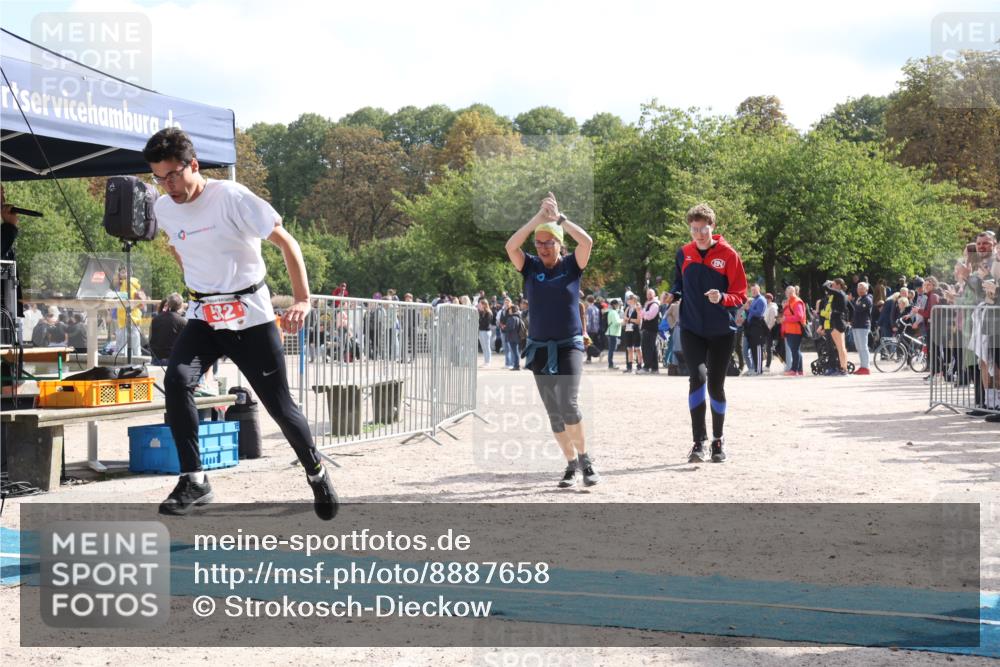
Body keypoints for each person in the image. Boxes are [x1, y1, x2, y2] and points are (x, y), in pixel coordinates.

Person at [143, 127, 338, 520]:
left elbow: (287, 242)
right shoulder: (164, 208)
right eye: (159, 178)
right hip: (204, 316)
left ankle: (315, 471)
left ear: (193, 165)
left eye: (174, 175)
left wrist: (302, 300)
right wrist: (198, 280)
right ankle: (194, 479)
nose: (168, 186)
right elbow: (178, 246)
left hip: (249, 315)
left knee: (280, 407)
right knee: (176, 381)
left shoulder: (231, 197)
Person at [504, 191, 599, 489]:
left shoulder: (571, 265)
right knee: (554, 412)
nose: (543, 248)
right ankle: (570, 464)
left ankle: (585, 460)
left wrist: (559, 219)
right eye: (539, 243)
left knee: (568, 403)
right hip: (540, 348)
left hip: (569, 344)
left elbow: (587, 242)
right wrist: (538, 219)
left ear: (560, 243)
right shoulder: (530, 267)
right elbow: (510, 246)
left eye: (549, 242)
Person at [668, 203, 747, 464]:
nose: (699, 234)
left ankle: (718, 440)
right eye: (694, 229)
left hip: (721, 331)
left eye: (703, 229)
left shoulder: (728, 255)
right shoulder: (684, 253)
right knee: (697, 378)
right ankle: (698, 442)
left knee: (715, 385)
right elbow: (679, 283)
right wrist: (673, 294)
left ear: (713, 226)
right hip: (692, 328)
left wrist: (722, 297)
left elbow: (740, 295)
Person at [113, 266, 146, 358]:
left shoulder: (127, 283)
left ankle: (124, 357)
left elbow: (125, 300)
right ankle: (136, 356)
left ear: (130, 273)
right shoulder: (132, 283)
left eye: (124, 272)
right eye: (121, 272)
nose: (122, 274)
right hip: (132, 316)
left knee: (124, 340)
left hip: (127, 316)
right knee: (134, 340)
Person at [149, 292, 188, 365]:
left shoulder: (155, 319)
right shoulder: (182, 321)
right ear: (180, 305)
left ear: (168, 304)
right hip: (172, 360)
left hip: (156, 359)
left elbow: (151, 339)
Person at [824, 279, 850, 375]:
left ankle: (844, 369)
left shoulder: (840, 293)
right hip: (837, 321)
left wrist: (828, 282)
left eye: (834, 284)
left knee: (841, 347)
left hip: (838, 322)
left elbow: (825, 287)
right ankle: (843, 368)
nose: (832, 286)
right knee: (840, 347)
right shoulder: (841, 294)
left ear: (839, 285)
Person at [780, 285, 806, 376]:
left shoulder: (796, 302)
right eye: (787, 292)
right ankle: (800, 370)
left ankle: (794, 370)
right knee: (796, 350)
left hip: (795, 330)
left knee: (795, 350)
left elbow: (799, 316)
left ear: (794, 292)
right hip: (790, 330)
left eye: (790, 292)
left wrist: (786, 319)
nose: (788, 294)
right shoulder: (790, 302)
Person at [851, 281, 874, 374]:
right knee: (859, 347)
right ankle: (862, 366)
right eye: (858, 288)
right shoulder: (859, 298)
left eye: (862, 288)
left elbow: (859, 308)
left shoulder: (867, 299)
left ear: (866, 289)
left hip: (863, 325)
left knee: (863, 347)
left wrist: (851, 301)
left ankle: (866, 367)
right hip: (856, 325)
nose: (860, 290)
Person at [640, 287, 661, 373]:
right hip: (647, 329)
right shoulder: (648, 304)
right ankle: (654, 368)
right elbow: (643, 314)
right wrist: (645, 313)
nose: (648, 295)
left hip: (651, 329)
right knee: (650, 348)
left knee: (648, 348)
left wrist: (644, 313)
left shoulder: (655, 304)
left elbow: (649, 316)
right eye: (647, 294)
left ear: (654, 294)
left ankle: (646, 367)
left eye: (650, 294)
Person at [621, 293, 642, 373]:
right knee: (629, 348)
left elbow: (638, 321)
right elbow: (624, 319)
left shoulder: (638, 307)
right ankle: (629, 367)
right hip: (628, 330)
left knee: (637, 348)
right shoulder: (627, 308)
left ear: (634, 300)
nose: (628, 300)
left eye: (630, 299)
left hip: (636, 330)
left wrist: (629, 319)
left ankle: (639, 366)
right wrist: (626, 320)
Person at [605, 298, 622, 369]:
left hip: (611, 332)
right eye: (618, 304)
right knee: (612, 349)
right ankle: (611, 364)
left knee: (611, 349)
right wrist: (623, 321)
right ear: (614, 305)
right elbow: (616, 322)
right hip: (613, 332)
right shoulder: (614, 312)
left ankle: (611, 364)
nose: (619, 305)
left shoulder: (611, 311)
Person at [477, 298, 494, 367]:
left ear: (484, 305)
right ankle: (485, 361)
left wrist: (479, 321)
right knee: (483, 347)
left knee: (487, 347)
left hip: (486, 331)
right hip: (481, 331)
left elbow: (486, 323)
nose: (479, 306)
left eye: (480, 304)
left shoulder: (488, 313)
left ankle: (488, 362)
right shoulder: (481, 312)